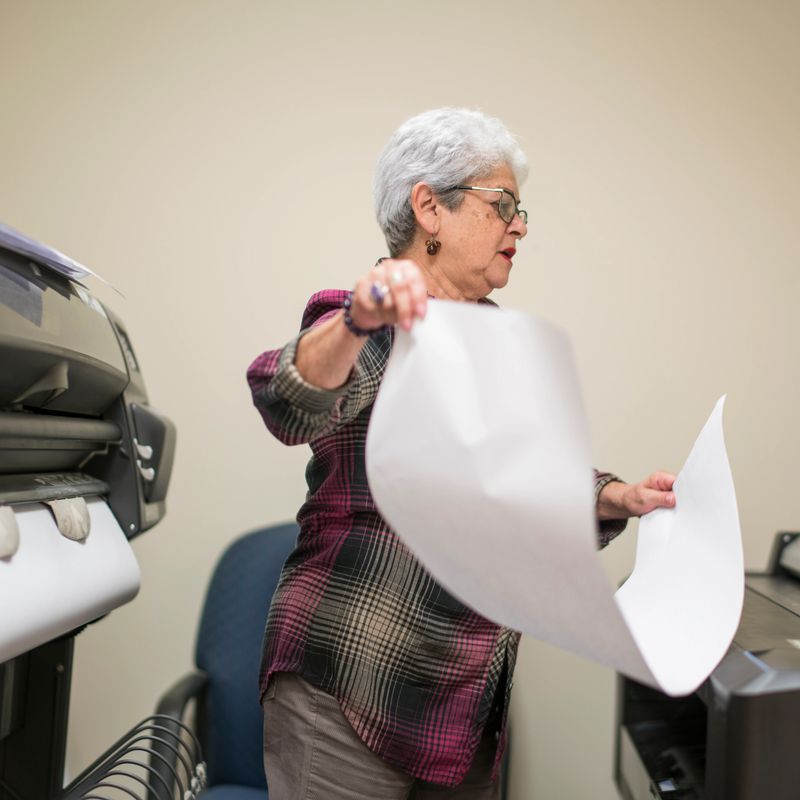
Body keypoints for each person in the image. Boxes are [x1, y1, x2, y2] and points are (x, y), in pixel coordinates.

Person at [247, 108, 676, 800]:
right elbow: (289, 399)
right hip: (354, 684)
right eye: (501, 204)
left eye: (520, 209)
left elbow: (525, 480)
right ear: (429, 209)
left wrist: (614, 496)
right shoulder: (369, 323)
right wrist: (359, 319)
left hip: (464, 706)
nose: (521, 226)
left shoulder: (501, 345)